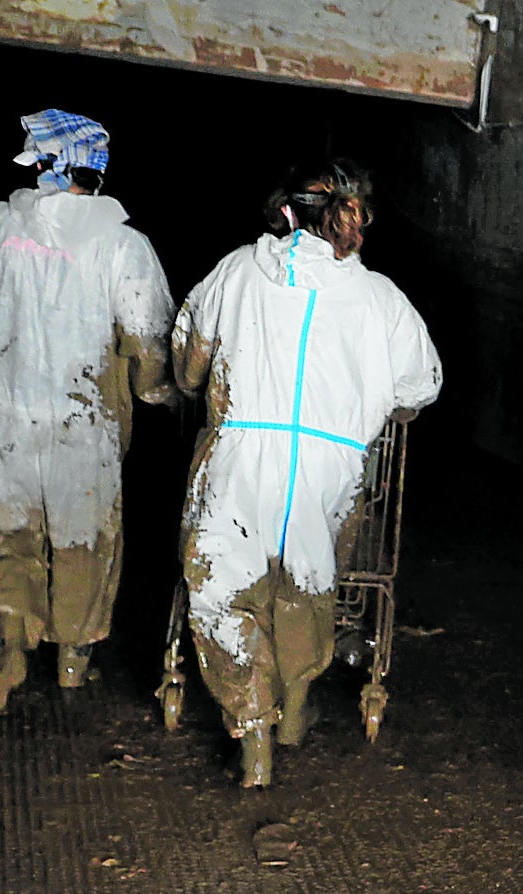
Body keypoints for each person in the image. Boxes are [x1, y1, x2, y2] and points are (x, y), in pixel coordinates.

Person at [170, 160, 443, 787]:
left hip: (236, 456)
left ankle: (254, 735)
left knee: (224, 593)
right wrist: (364, 408)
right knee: (306, 588)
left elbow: (189, 360)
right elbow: (421, 386)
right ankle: (295, 709)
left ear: (285, 213)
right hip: (331, 468)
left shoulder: (236, 271)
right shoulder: (380, 298)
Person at [0, 108, 176, 715]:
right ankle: (73, 665)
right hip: (83, 427)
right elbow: (149, 341)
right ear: (96, 171)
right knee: (83, 543)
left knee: (2, 542)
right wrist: (162, 396)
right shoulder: (123, 245)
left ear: (40, 163)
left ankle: (7, 648)